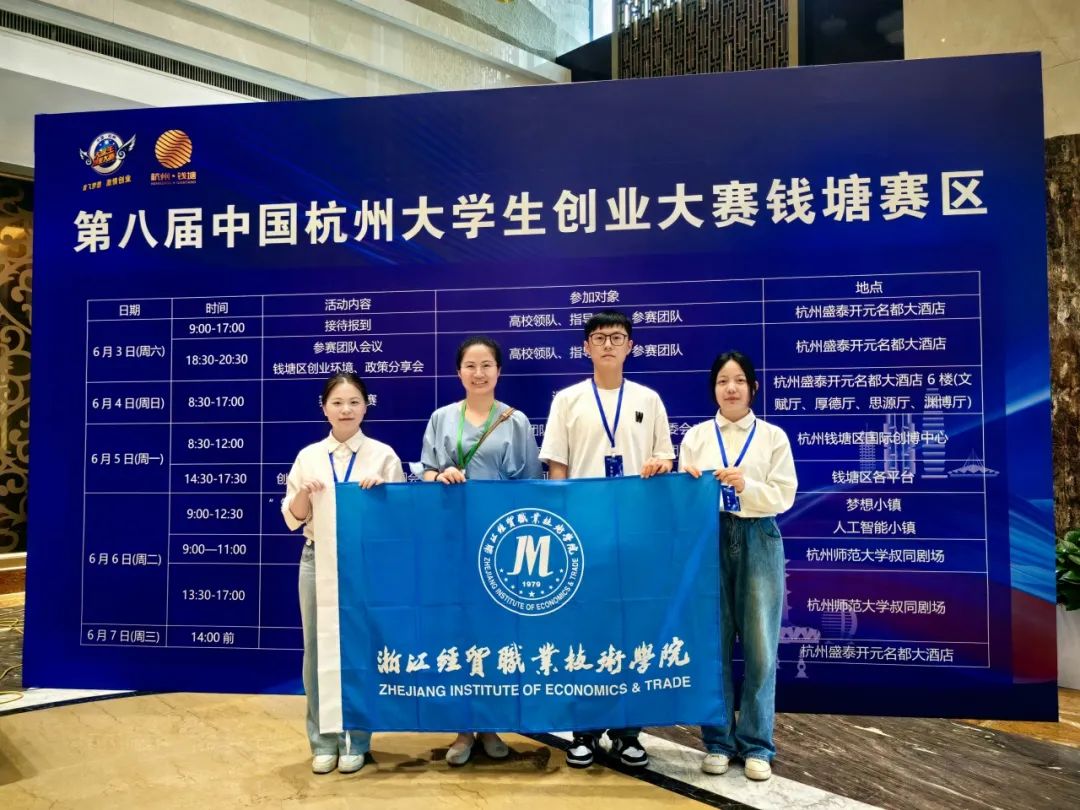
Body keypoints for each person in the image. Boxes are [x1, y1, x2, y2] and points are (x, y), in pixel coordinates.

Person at [539, 309, 675, 769]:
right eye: (599, 337)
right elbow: (557, 469)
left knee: (633, 628)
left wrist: (660, 465)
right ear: (586, 347)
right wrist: (562, 529)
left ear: (630, 346)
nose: (608, 345)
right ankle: (583, 730)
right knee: (585, 629)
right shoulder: (568, 400)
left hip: (636, 534)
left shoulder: (648, 399)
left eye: (617, 337)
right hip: (584, 533)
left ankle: (628, 731)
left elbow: (665, 460)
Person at [420, 335, 542, 765]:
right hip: (453, 541)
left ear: (498, 371)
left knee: (496, 632)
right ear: (459, 373)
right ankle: (462, 729)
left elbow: (531, 484)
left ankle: (491, 725)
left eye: (486, 365)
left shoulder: (516, 421)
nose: (479, 373)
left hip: (500, 543)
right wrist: (440, 476)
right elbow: (425, 472)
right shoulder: (441, 418)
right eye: (470, 366)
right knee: (457, 630)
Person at [680, 350, 797, 782]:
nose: (731, 388)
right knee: (713, 644)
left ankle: (757, 744)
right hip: (709, 538)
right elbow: (683, 497)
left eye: (739, 381)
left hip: (758, 536)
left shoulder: (772, 437)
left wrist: (746, 486)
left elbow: (784, 495)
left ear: (753, 388)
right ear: (713, 389)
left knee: (761, 647)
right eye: (722, 381)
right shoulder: (696, 437)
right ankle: (717, 741)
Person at [282, 371, 406, 775]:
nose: (346, 409)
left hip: (363, 563)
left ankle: (357, 739)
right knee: (316, 651)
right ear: (324, 408)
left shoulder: (383, 455)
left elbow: (398, 522)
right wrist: (304, 492)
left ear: (366, 406)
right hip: (316, 559)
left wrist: (384, 495)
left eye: (354, 402)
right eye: (337, 402)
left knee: (360, 649)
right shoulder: (308, 456)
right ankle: (323, 741)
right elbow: (292, 518)